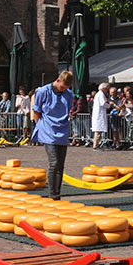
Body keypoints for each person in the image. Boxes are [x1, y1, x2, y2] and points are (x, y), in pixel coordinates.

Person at [31, 71, 75, 200]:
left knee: (61, 164)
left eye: (66, 88)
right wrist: (41, 126)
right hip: (48, 131)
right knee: (54, 163)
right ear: (58, 80)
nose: (63, 90)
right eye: (62, 87)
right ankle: (52, 194)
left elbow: (67, 110)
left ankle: (57, 193)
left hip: (62, 131)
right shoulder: (43, 91)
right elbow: (36, 111)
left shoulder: (69, 94)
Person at [91, 83, 111, 150]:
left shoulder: (98, 94)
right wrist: (109, 105)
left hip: (98, 114)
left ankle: (97, 145)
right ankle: (95, 146)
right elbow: (103, 103)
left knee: (98, 131)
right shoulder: (101, 94)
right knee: (98, 131)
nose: (107, 90)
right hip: (99, 115)